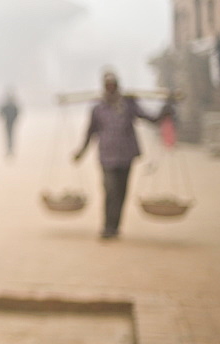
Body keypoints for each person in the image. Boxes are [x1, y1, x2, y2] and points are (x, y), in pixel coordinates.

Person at [73, 71, 170, 239]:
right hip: (106, 156)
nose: (111, 87)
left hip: (126, 155)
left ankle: (115, 226)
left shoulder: (128, 104)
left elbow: (150, 118)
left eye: (113, 84)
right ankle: (107, 226)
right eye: (108, 85)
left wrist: (165, 110)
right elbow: (90, 132)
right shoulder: (98, 108)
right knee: (109, 190)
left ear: (117, 85)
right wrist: (81, 152)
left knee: (121, 192)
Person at [0, 89, 20, 157]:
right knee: (8, 136)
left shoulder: (12, 106)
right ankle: (9, 148)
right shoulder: (8, 106)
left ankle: (10, 148)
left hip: (10, 123)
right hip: (8, 123)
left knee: (10, 136)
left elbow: (17, 113)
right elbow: (1, 113)